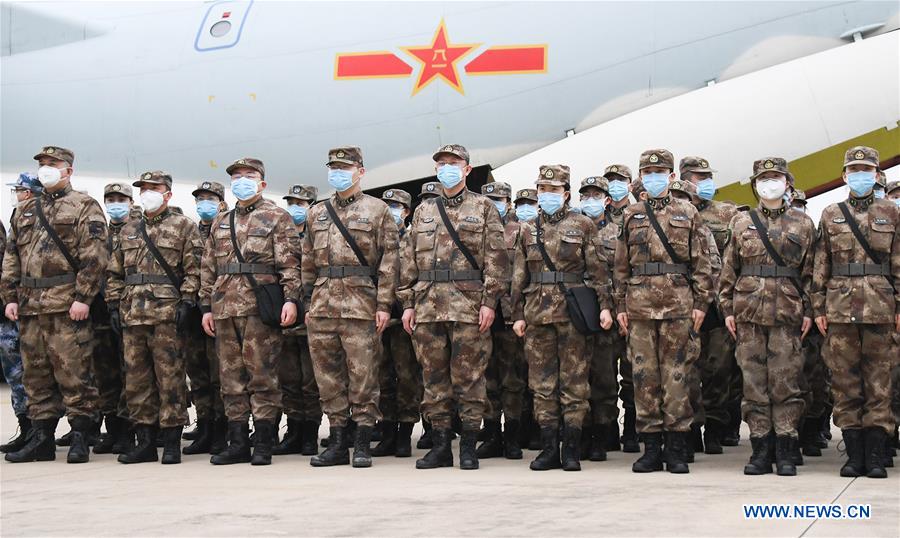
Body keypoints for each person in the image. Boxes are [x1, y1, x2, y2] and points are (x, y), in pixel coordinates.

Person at [398, 144, 508, 470]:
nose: (447, 167)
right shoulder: (423, 211)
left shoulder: (484, 207)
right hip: (428, 305)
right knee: (433, 379)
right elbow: (408, 260)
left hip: (469, 305)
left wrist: (490, 302)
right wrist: (407, 303)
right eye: (442, 163)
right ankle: (441, 446)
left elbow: (497, 259)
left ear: (467, 169)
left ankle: (470, 446)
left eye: (454, 162)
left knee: (470, 378)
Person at [3, 146, 107, 464]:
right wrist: (9, 296)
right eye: (42, 164)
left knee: (74, 373)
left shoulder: (84, 206)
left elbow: (95, 256)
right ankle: (42, 438)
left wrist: (83, 298)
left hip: (66, 305)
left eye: (53, 164)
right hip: (31, 306)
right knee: (35, 376)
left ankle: (79, 436)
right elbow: (12, 257)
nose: (46, 168)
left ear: (68, 170)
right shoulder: (24, 211)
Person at [613, 149, 712, 474]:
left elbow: (701, 263)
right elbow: (621, 267)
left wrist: (701, 304)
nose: (654, 176)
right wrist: (620, 307)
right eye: (648, 171)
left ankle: (677, 447)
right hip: (640, 308)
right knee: (644, 378)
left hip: (678, 307)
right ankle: (651, 447)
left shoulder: (688, 213)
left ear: (672, 177)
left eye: (660, 171)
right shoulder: (632, 214)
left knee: (678, 377)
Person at [301, 147, 399, 468]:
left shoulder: (378, 210)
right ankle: (337, 443)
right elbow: (307, 262)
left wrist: (384, 304)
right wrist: (307, 301)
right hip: (323, 306)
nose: (338, 172)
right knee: (328, 378)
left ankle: (362, 443)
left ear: (361, 171)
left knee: (364, 376)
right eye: (334, 167)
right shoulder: (317, 213)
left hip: (361, 305)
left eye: (345, 167)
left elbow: (389, 262)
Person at [199, 157, 301, 466]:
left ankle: (263, 443)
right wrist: (205, 305)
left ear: (262, 183)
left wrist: (291, 299)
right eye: (237, 176)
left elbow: (289, 263)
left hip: (260, 307)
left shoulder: (277, 217)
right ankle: (238, 441)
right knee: (230, 378)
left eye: (249, 175)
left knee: (262, 376)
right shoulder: (221, 221)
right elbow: (209, 266)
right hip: (225, 307)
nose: (242, 180)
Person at [511, 165, 613, 471]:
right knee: (542, 384)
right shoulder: (526, 228)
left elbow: (598, 272)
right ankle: (547, 448)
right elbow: (519, 275)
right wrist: (516, 313)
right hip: (537, 315)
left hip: (573, 315)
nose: (547, 195)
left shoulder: (583, 225)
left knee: (575, 383)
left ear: (565, 194)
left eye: (553, 190)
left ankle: (571, 448)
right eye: (542, 189)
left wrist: (606, 306)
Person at [719, 158, 816, 476]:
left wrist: (810, 310)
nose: (770, 183)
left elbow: (812, 273)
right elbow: (728, 271)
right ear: (755, 184)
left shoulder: (803, 223)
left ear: (787, 183)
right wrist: (727, 309)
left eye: (776, 177)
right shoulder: (740, 223)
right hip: (748, 314)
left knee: (786, 383)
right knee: (754, 385)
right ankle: (761, 450)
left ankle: (787, 450)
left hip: (788, 314)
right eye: (764, 178)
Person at [811, 146, 899, 479]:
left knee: (879, 382)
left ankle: (875, 455)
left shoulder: (891, 213)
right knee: (845, 382)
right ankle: (853, 453)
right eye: (854, 169)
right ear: (845, 175)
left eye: (867, 169)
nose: (860, 175)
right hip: (839, 308)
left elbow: (898, 262)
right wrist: (818, 305)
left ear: (877, 175)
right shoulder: (831, 213)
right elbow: (822, 263)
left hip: (880, 308)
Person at [106, 171, 202, 464]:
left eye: (154, 188)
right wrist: (113, 304)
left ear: (168, 193)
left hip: (166, 315)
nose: (148, 192)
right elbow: (114, 272)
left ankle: (171, 441)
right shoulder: (129, 231)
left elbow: (194, 269)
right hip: (133, 315)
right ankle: (145, 441)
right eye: (144, 188)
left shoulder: (185, 226)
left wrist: (187, 302)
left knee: (170, 379)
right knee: (136, 381)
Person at [372, 188, 423, 458]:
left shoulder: (413, 238)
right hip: (378, 314)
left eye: (397, 207)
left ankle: (405, 432)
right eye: (387, 205)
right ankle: (387, 430)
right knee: (382, 375)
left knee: (407, 376)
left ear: (406, 212)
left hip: (404, 315)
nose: (392, 211)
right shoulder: (375, 238)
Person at [477, 182, 526, 460]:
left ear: (509, 202)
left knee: (512, 379)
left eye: (499, 198)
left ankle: (513, 436)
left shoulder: (520, 231)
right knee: (487, 378)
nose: (494, 202)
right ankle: (492, 432)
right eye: (490, 198)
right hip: (482, 311)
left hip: (508, 313)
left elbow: (522, 274)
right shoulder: (476, 229)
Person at [275, 184, 323, 456]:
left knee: (311, 379)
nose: (295, 208)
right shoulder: (281, 233)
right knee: (289, 377)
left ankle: (310, 433)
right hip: (283, 315)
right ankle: (293, 431)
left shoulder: (317, 233)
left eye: (301, 203)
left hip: (312, 314)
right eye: (291, 202)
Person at [183, 181, 229, 455]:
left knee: (221, 374)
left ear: (222, 202)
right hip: (194, 310)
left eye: (210, 198)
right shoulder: (189, 232)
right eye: (200, 198)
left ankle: (224, 428)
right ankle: (206, 426)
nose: (204, 203)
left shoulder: (229, 229)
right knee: (197, 373)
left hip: (221, 308)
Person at [577, 176, 621, 461]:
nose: (590, 200)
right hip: (577, 310)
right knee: (578, 375)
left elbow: (623, 273)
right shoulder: (575, 229)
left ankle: (604, 434)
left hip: (607, 310)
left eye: (596, 195)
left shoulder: (620, 232)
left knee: (604, 377)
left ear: (607, 200)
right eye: (586, 196)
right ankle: (582, 433)